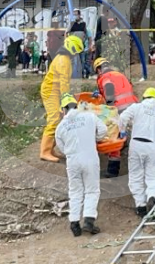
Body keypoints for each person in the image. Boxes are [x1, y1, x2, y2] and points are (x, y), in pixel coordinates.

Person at [119, 87, 155, 218]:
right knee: (153, 175)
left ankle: (141, 207)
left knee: (136, 176)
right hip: (153, 146)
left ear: (144, 98)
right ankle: (153, 196)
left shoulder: (137, 107)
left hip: (136, 145)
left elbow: (122, 118)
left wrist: (122, 130)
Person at [54, 94, 106, 236]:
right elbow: (103, 130)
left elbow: (61, 147)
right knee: (92, 190)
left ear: (63, 110)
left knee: (75, 191)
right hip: (89, 156)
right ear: (76, 106)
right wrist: (93, 139)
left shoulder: (60, 127)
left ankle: (74, 223)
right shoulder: (89, 116)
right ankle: (89, 221)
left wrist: (71, 152)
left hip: (72, 160)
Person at [39, 34, 83, 162]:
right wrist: (67, 103)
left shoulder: (63, 58)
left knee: (58, 119)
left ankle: (50, 150)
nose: (76, 55)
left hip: (54, 90)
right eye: (76, 52)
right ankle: (45, 152)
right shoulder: (64, 61)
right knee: (53, 120)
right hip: (51, 91)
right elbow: (64, 83)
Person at [94, 57, 138, 178]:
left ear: (98, 69)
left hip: (119, 108)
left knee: (113, 136)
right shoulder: (119, 74)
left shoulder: (104, 77)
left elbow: (109, 88)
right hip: (133, 106)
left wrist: (109, 107)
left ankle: (113, 170)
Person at [69, 12, 91, 77]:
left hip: (81, 46)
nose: (75, 16)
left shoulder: (83, 24)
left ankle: (82, 74)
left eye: (76, 14)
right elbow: (66, 33)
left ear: (79, 15)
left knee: (82, 61)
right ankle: (73, 74)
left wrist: (89, 44)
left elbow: (87, 35)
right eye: (74, 14)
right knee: (73, 61)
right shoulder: (71, 24)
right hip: (73, 47)